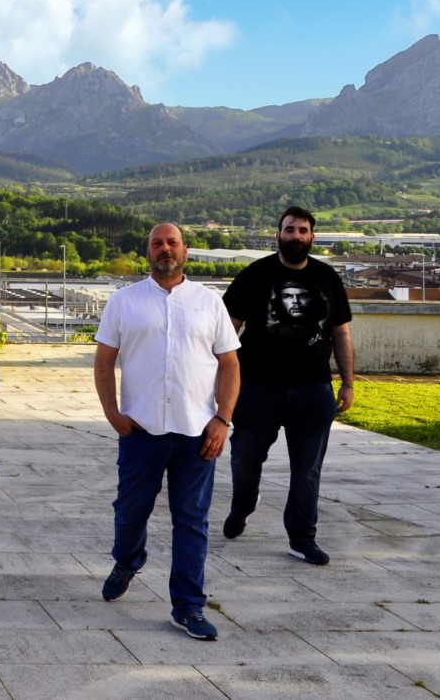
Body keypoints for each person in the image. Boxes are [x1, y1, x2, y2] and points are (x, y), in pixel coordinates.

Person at [93, 223, 240, 641]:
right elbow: (104, 361)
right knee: (130, 511)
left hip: (198, 433)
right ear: (148, 252)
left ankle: (188, 606)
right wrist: (112, 413)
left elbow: (229, 364)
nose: (165, 249)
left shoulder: (209, 303)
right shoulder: (124, 302)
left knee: (192, 520)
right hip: (141, 430)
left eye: (172, 242)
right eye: (157, 243)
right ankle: (128, 560)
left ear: (185, 251)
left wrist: (223, 419)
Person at [221, 205, 354, 565]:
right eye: (290, 229)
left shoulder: (327, 278)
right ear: (278, 234)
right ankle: (243, 505)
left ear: (312, 236)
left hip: (313, 391)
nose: (296, 236)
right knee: (245, 461)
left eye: (303, 231)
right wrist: (215, 381)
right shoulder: (254, 275)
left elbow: (341, 332)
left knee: (307, 468)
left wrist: (347, 383)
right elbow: (225, 332)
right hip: (257, 389)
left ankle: (302, 537)